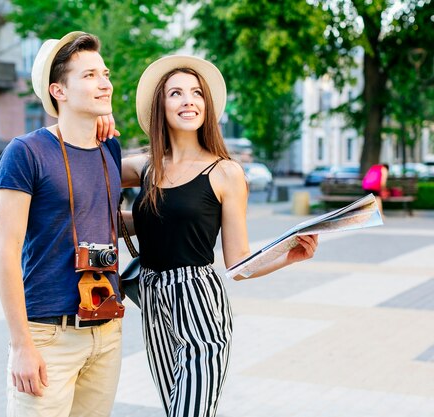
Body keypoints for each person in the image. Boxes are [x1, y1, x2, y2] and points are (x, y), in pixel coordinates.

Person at [120, 55, 319, 417]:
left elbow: (238, 263)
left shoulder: (225, 172)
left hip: (199, 303)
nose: (189, 101)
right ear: (159, 106)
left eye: (196, 93)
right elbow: (87, 170)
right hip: (152, 305)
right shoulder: (145, 166)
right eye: (176, 93)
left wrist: (287, 257)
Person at [0, 32, 123, 416]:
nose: (105, 83)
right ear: (58, 91)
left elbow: (105, 218)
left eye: (104, 73)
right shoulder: (26, 152)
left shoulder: (110, 148)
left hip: (106, 330)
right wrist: (21, 345)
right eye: (89, 76)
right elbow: (5, 252)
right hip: (48, 335)